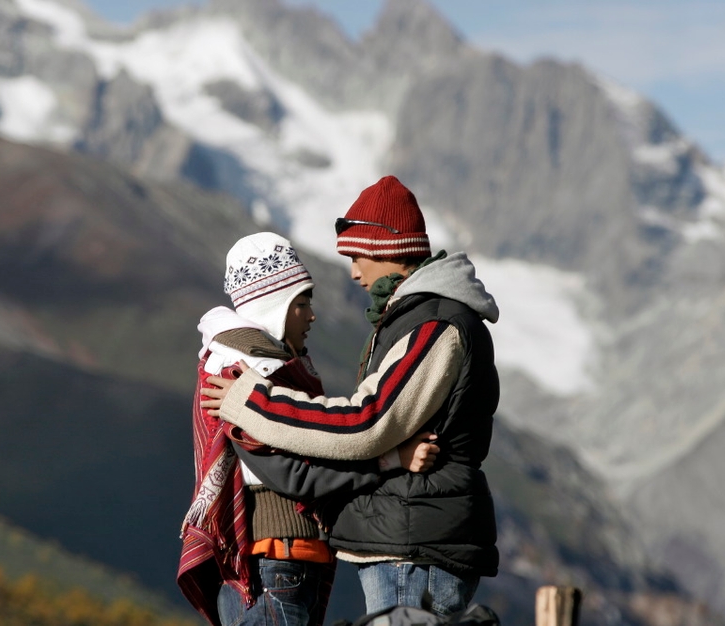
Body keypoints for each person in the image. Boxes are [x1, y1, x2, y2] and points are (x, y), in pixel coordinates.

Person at [201, 176, 500, 621]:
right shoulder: (414, 320)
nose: (355, 273)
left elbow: (366, 421)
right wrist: (392, 459)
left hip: (413, 543)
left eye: (358, 256)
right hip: (406, 536)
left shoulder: (434, 323)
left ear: (387, 250)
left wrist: (251, 402)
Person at [178, 231, 440, 626]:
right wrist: (392, 459)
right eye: (301, 302)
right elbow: (292, 474)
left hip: (288, 564)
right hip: (272, 566)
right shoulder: (238, 375)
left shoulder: (272, 368)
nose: (311, 315)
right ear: (273, 306)